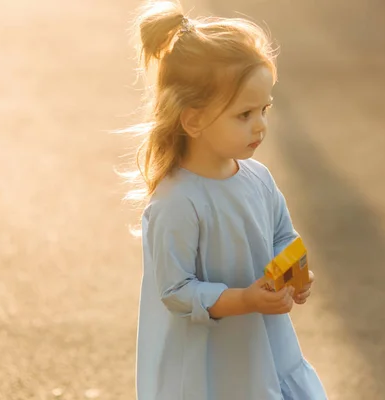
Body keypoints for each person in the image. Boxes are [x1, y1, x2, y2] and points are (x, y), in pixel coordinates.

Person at [124, 1, 327, 399]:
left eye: (264, 109)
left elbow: (283, 235)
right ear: (194, 119)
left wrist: (294, 274)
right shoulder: (177, 201)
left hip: (265, 346)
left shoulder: (259, 179)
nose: (261, 125)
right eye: (244, 114)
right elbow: (176, 290)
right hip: (209, 363)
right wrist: (243, 300)